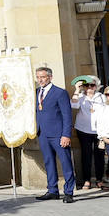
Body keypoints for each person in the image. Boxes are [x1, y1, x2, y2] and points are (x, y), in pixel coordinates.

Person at [33, 65, 76, 202]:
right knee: (48, 162)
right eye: (38, 77)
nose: (40, 80)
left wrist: (66, 135)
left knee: (65, 162)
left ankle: (68, 191)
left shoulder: (60, 92)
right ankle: (52, 190)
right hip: (43, 133)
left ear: (50, 77)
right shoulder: (36, 92)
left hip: (58, 134)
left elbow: (67, 115)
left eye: (43, 77)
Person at [71, 77, 106, 190]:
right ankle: (87, 179)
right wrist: (77, 89)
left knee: (99, 155)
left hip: (99, 130)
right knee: (86, 155)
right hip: (84, 129)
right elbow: (73, 105)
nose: (90, 88)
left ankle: (99, 179)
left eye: (92, 85)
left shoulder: (102, 97)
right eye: (87, 85)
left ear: (96, 86)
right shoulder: (81, 97)